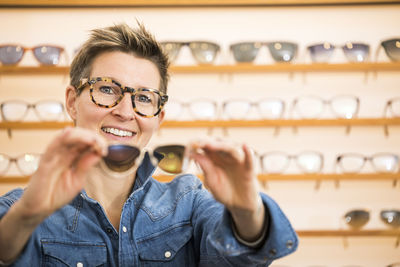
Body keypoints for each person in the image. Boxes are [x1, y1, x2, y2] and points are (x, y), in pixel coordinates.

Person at [0, 23, 298, 266]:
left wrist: (247, 211)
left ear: (159, 117)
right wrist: (26, 217)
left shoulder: (188, 201)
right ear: (71, 102)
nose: (125, 112)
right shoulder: (18, 209)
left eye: (143, 98)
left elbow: (242, 254)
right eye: (106, 89)